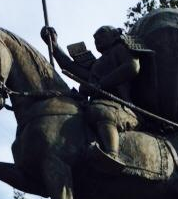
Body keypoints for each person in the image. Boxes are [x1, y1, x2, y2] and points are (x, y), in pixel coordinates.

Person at [42, 25, 150, 172]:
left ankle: (112, 155)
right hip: (96, 104)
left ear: (113, 36)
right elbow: (69, 66)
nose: (96, 39)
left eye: (101, 35)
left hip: (121, 107)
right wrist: (53, 45)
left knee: (102, 112)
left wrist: (100, 84)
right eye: (95, 38)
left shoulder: (121, 49)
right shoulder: (97, 64)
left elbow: (132, 67)